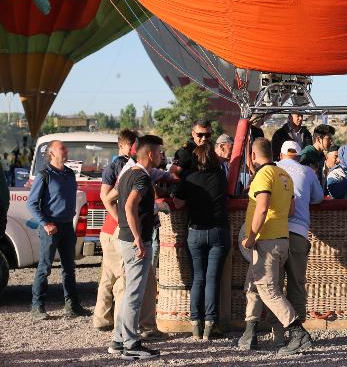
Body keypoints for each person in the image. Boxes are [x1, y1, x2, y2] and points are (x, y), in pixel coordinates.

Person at [238, 138, 312, 355]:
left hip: (266, 240)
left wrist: (251, 236)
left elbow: (261, 208)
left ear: (253, 156)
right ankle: (254, 334)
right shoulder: (284, 176)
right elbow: (290, 210)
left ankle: (297, 333)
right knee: (262, 284)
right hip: (282, 239)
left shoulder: (264, 175)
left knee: (267, 288)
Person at [109, 135, 164, 360]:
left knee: (129, 293)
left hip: (124, 239)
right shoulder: (141, 177)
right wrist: (139, 238)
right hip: (134, 242)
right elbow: (131, 205)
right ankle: (131, 345)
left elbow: (111, 199)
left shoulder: (126, 174)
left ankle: (118, 340)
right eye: (160, 152)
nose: (162, 156)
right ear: (150, 154)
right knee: (134, 295)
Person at [28, 140, 90, 322]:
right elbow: (31, 203)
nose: (66, 150)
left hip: (66, 226)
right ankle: (37, 307)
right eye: (62, 148)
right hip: (51, 228)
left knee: (69, 268)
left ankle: (72, 306)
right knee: (45, 267)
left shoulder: (70, 174)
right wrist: (46, 224)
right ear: (52, 153)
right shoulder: (44, 175)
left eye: (66, 148)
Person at [173, 144, 230, 341]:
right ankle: (210, 325)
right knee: (212, 279)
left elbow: (178, 203)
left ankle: (195, 325)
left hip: (195, 232)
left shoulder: (189, 177)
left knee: (198, 278)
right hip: (218, 231)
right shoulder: (221, 176)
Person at [271, 140, 324, 344]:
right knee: (297, 283)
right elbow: (318, 198)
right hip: (299, 232)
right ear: (300, 155)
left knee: (274, 286)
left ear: (281, 154)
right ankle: (298, 332)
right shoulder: (307, 172)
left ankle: (278, 333)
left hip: (274, 231)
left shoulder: (272, 169)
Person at [93, 130, 138, 331]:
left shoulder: (110, 167)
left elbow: (104, 196)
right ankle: (120, 325)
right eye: (133, 146)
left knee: (108, 276)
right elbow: (106, 197)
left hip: (108, 230)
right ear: (124, 145)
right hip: (117, 231)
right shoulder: (124, 166)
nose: (135, 150)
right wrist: (121, 220)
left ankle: (101, 319)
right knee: (122, 278)